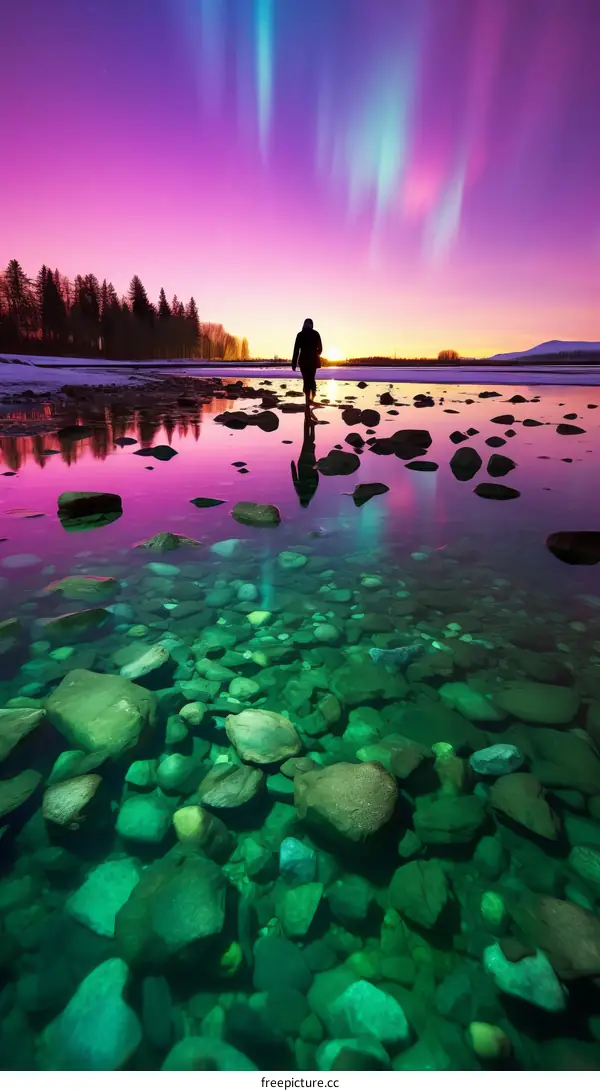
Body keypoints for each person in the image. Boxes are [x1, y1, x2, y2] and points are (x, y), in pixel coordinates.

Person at [291, 406, 319, 508]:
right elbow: (295, 479)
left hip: (311, 465)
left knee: (310, 445)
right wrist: (292, 465)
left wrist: (316, 467)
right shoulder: (300, 492)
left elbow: (316, 480)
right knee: (306, 443)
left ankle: (312, 426)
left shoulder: (311, 493)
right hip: (302, 464)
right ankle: (310, 425)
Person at [291, 318, 322, 408]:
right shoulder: (315, 334)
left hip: (303, 360)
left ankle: (307, 398)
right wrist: (316, 353)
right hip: (313, 360)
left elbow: (296, 350)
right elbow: (320, 348)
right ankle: (312, 395)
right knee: (311, 378)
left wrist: (293, 363)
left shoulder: (300, 335)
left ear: (304, 324)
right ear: (312, 325)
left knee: (306, 379)